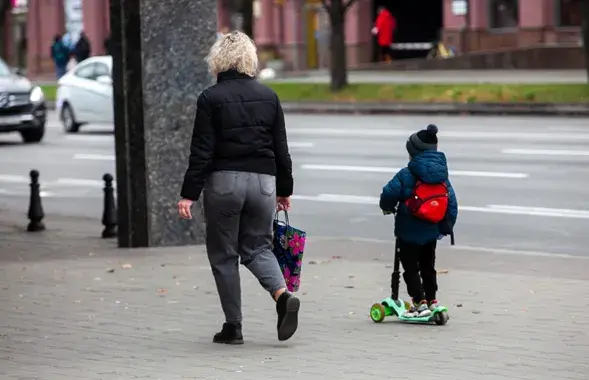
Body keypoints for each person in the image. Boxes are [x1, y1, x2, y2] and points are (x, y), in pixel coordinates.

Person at [177, 30, 300, 344]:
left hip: (224, 183)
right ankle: (282, 295)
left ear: (218, 60)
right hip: (264, 183)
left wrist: (189, 193)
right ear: (250, 59)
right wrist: (284, 190)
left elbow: (201, 151)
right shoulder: (269, 96)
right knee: (258, 247)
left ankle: (233, 327)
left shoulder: (210, 99)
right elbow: (281, 149)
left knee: (224, 254)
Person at [379, 124, 458, 317]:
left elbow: (389, 193)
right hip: (431, 232)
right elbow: (452, 203)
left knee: (410, 268)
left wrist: (387, 207)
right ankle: (432, 300)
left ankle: (419, 301)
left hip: (408, 232)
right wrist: (445, 226)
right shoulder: (442, 177)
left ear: (413, 152)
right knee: (428, 267)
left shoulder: (407, 174)